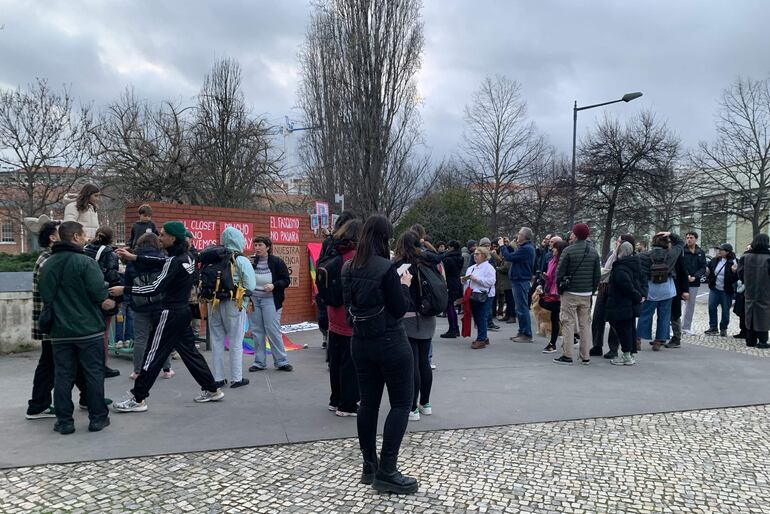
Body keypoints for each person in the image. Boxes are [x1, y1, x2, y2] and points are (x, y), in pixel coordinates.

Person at [110, 221, 225, 412]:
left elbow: (155, 288)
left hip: (169, 313)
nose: (159, 237)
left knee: (152, 354)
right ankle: (212, 389)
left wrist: (126, 289)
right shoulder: (187, 257)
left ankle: (137, 399)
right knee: (190, 353)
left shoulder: (175, 260)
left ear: (173, 238)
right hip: (182, 312)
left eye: (163, 234)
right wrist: (135, 257)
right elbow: (162, 263)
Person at [341, 214, 417, 494]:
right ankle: (387, 470)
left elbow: (348, 304)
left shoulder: (348, 266)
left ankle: (369, 466)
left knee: (368, 404)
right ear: (385, 237)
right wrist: (405, 285)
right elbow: (399, 309)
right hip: (390, 342)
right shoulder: (387, 268)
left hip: (360, 343)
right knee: (401, 403)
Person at [39, 221, 114, 434]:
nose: (86, 238)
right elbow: (100, 294)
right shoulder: (85, 262)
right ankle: (98, 417)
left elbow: (45, 294)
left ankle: (64, 422)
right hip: (88, 329)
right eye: (83, 235)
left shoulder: (48, 264)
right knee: (93, 373)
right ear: (75, 237)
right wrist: (109, 300)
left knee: (62, 376)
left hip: (59, 331)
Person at [26, 221, 90, 420]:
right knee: (50, 364)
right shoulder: (49, 259)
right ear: (53, 238)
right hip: (53, 321)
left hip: (55, 320)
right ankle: (38, 405)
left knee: (69, 361)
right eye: (60, 233)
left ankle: (88, 397)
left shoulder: (50, 257)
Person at [393, 231, 435, 421]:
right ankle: (425, 403)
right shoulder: (428, 262)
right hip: (428, 316)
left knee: (413, 364)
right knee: (424, 361)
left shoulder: (401, 266)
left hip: (408, 318)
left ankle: (412, 407)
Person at [209, 227, 256, 388]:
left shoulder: (214, 258)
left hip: (214, 303)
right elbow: (250, 284)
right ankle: (237, 378)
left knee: (216, 340)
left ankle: (218, 378)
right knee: (236, 340)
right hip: (234, 303)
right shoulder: (241, 260)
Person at [123, 232, 174, 380]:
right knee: (162, 338)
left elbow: (127, 282)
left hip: (139, 305)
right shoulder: (162, 258)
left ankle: (137, 371)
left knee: (140, 339)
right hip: (160, 304)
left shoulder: (132, 261)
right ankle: (166, 369)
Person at [326, 219, 362, 416]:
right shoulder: (357, 260)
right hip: (350, 317)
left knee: (336, 361)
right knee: (350, 364)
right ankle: (347, 405)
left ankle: (335, 399)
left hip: (334, 314)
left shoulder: (333, 256)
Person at [553, 223, 601, 365]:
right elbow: (597, 275)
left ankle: (567, 355)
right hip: (586, 293)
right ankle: (585, 355)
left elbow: (559, 272)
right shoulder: (593, 252)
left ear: (575, 234)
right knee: (584, 324)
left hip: (570, 292)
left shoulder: (568, 251)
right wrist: (591, 290)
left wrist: (560, 288)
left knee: (568, 322)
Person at [247, 235, 293, 372]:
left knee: (272, 330)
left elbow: (286, 280)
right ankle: (259, 362)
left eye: (260, 245)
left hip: (271, 300)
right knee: (257, 331)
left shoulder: (276, 262)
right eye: (255, 245)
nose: (257, 248)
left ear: (267, 247)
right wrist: (247, 266)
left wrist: (274, 285)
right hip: (254, 300)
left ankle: (281, 361)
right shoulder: (251, 261)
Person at [636, 233, 687, 351]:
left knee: (645, 315)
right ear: (667, 243)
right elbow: (680, 243)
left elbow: (640, 273)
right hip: (666, 289)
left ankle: (638, 338)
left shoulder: (643, 255)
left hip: (650, 289)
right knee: (664, 316)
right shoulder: (671, 254)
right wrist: (671, 234)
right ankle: (658, 341)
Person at [84, 226, 122, 378]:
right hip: (104, 296)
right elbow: (113, 278)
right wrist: (117, 300)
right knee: (104, 333)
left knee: (88, 333)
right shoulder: (109, 254)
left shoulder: (85, 249)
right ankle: (103, 365)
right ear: (111, 238)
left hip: (85, 297)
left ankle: (87, 364)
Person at [605, 242, 644, 366]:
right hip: (630, 304)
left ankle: (626, 355)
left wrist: (637, 296)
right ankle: (631, 353)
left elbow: (626, 286)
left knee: (623, 330)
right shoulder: (635, 265)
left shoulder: (620, 268)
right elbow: (641, 283)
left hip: (620, 303)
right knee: (630, 328)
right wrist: (641, 295)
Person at [499, 228, 537, 343]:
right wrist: (508, 246)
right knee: (519, 308)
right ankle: (522, 332)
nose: (517, 235)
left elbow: (510, 257)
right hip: (518, 280)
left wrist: (502, 246)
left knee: (522, 308)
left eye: (519, 234)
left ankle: (526, 334)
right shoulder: (525, 248)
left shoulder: (526, 249)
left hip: (521, 280)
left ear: (525, 236)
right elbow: (514, 254)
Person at [739, 235, 770, 348]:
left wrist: (746, 281)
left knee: (749, 314)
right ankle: (762, 341)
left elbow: (740, 273)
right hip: (765, 291)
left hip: (750, 290)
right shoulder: (768, 257)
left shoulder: (746, 256)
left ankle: (750, 340)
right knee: (763, 315)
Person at [464, 246, 496, 349]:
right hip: (473, 295)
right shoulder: (471, 268)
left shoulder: (489, 268)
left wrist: (477, 279)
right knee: (477, 317)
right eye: (474, 254)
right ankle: (483, 337)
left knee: (482, 316)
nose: (475, 256)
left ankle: (481, 339)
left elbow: (491, 282)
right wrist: (464, 280)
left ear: (484, 256)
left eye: (477, 254)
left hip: (484, 295)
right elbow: (468, 282)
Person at [539, 240, 568, 353]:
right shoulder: (551, 261)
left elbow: (559, 278)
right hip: (550, 291)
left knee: (558, 318)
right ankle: (553, 343)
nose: (552, 249)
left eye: (555, 248)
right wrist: (546, 277)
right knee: (554, 317)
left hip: (558, 293)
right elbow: (552, 277)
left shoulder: (562, 263)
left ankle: (554, 343)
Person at [704, 243, 738, 336]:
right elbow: (710, 270)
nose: (719, 251)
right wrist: (707, 272)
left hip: (726, 290)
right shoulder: (715, 260)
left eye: (721, 250)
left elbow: (735, 278)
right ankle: (713, 327)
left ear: (727, 252)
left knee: (725, 310)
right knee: (711, 307)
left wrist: (734, 272)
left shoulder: (733, 262)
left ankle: (723, 328)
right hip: (715, 288)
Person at [681, 231, 707, 335]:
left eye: (691, 237)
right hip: (682, 281)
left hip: (694, 282)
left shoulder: (700, 252)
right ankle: (674, 327)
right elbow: (681, 265)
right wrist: (686, 275)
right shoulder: (682, 251)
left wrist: (695, 276)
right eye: (687, 237)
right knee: (677, 304)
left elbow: (703, 267)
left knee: (690, 305)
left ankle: (686, 327)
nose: (689, 239)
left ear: (695, 239)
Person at [439, 240, 464, 338]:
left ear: (452, 247)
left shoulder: (448, 259)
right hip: (456, 282)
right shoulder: (460, 257)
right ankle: (455, 328)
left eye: (448, 247)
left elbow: (443, 272)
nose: (447, 249)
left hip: (449, 283)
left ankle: (452, 329)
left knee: (449, 306)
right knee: (452, 306)